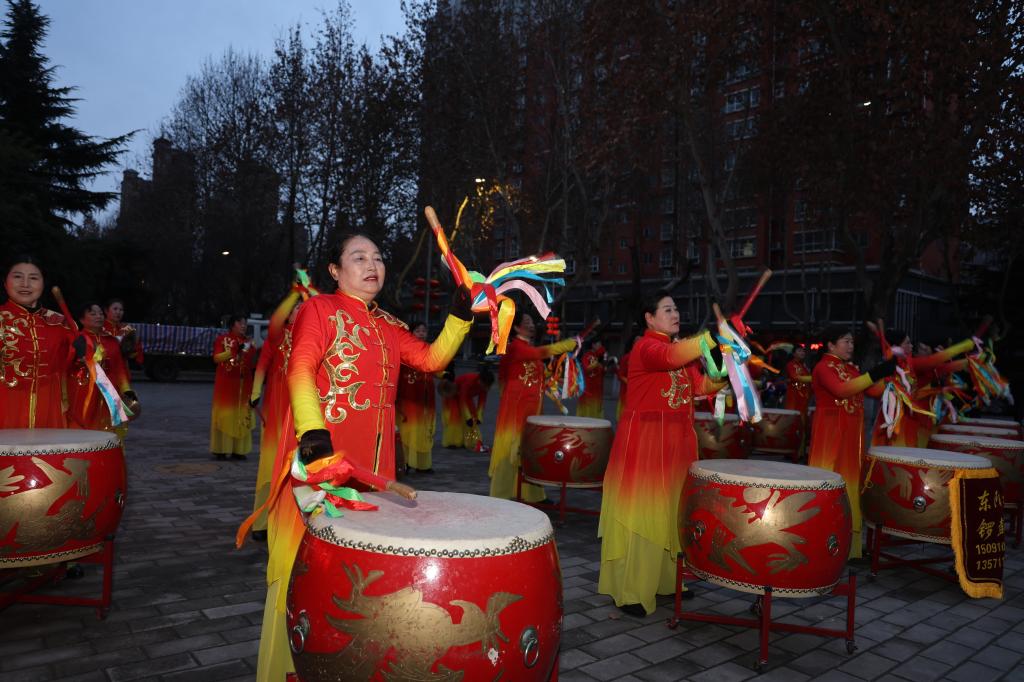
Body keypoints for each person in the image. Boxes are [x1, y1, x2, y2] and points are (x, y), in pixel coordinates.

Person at [255, 233, 473, 682]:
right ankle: (295, 667)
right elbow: (301, 367)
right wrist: (313, 433)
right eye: (358, 257)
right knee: (309, 570)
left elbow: (431, 360)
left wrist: (459, 316)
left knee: (361, 576)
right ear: (335, 271)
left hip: (375, 472)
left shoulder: (388, 324)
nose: (372, 265)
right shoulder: (320, 309)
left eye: (377, 257)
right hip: (324, 460)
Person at [597, 291, 726, 616]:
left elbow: (702, 387)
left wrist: (723, 366)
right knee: (644, 515)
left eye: (676, 308)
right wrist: (707, 339)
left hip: (678, 445)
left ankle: (668, 582)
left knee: (672, 512)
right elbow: (667, 358)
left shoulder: (678, 352)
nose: (675, 313)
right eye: (667, 309)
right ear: (649, 318)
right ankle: (632, 591)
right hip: (646, 446)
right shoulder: (647, 347)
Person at [808, 326, 895, 559]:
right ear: (830, 344)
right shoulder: (823, 367)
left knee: (851, 486)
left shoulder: (850, 368)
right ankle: (822, 545)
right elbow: (842, 390)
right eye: (845, 341)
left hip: (851, 439)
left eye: (852, 342)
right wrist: (875, 373)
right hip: (830, 436)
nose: (850, 346)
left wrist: (889, 376)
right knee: (827, 482)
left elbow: (873, 391)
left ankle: (851, 550)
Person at [489, 310, 578, 501]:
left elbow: (537, 375)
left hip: (532, 408)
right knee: (509, 451)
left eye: (531, 321)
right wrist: (565, 345)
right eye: (527, 321)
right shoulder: (516, 347)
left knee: (529, 451)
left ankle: (533, 495)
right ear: (516, 327)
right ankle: (499, 496)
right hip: (516, 409)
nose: (531, 324)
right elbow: (538, 354)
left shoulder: (527, 348)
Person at [247, 286, 303, 542]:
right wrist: (255, 391)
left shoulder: (310, 336)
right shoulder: (277, 336)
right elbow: (261, 366)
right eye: (296, 308)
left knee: (297, 469)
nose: (299, 311)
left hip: (300, 413)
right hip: (276, 412)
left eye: (301, 307)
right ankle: (262, 522)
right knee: (270, 467)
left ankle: (290, 521)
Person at [0, 256, 75, 429]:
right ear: (5, 283)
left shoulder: (61, 323)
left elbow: (81, 369)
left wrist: (89, 352)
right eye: (17, 276)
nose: (25, 284)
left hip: (50, 413)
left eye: (33, 278)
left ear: (43, 284)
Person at [869, 329, 974, 448]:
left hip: (913, 416)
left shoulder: (909, 364)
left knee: (910, 449)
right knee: (896, 450)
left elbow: (942, 366)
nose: (911, 346)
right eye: (907, 343)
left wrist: (966, 361)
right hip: (898, 418)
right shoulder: (897, 366)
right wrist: (963, 347)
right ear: (896, 347)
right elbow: (933, 361)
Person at [67, 301, 138, 441]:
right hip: (84, 393)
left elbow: (119, 369)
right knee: (84, 430)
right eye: (93, 314)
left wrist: (127, 390)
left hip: (110, 394)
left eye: (100, 313)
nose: (98, 316)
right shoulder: (77, 339)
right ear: (82, 319)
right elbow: (67, 366)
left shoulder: (112, 341)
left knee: (111, 430)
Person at [210, 315, 256, 460]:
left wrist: (251, 350)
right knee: (226, 415)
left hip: (244, 384)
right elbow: (216, 358)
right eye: (240, 323)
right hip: (227, 384)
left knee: (241, 415)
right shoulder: (222, 339)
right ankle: (221, 449)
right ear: (232, 325)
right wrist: (232, 351)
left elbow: (252, 362)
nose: (243, 325)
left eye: (245, 323)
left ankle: (239, 450)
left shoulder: (248, 342)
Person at [397, 322, 438, 472]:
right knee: (408, 430)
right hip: (408, 395)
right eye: (418, 330)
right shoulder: (403, 349)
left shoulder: (431, 349)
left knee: (424, 430)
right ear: (411, 333)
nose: (421, 333)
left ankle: (423, 465)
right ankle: (406, 463)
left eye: (424, 331)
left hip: (426, 397)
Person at [456, 366, 495, 451]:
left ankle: (472, 441)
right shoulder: (469, 382)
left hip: (468, 397)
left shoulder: (484, 386)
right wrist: (468, 417)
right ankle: (456, 441)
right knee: (457, 418)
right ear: (480, 381)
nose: (486, 388)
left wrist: (479, 417)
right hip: (455, 393)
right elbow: (462, 399)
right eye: (485, 385)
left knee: (473, 419)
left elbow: (481, 402)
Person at [103, 298, 143, 367]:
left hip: (122, 366)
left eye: (121, 310)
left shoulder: (127, 328)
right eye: (115, 309)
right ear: (106, 311)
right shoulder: (99, 327)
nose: (118, 312)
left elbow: (136, 349)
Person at [576, 339, 608, 419]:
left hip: (597, 389)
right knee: (587, 410)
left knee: (596, 410)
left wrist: (605, 363)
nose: (600, 347)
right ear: (593, 345)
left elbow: (602, 373)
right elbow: (587, 368)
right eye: (598, 345)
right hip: (588, 388)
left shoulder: (599, 357)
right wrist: (597, 362)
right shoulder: (587, 355)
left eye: (601, 345)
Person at [438, 367, 463, 448]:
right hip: (451, 402)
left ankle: (451, 441)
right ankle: (454, 441)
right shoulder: (451, 383)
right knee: (453, 421)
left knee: (450, 421)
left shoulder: (446, 382)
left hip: (449, 402)